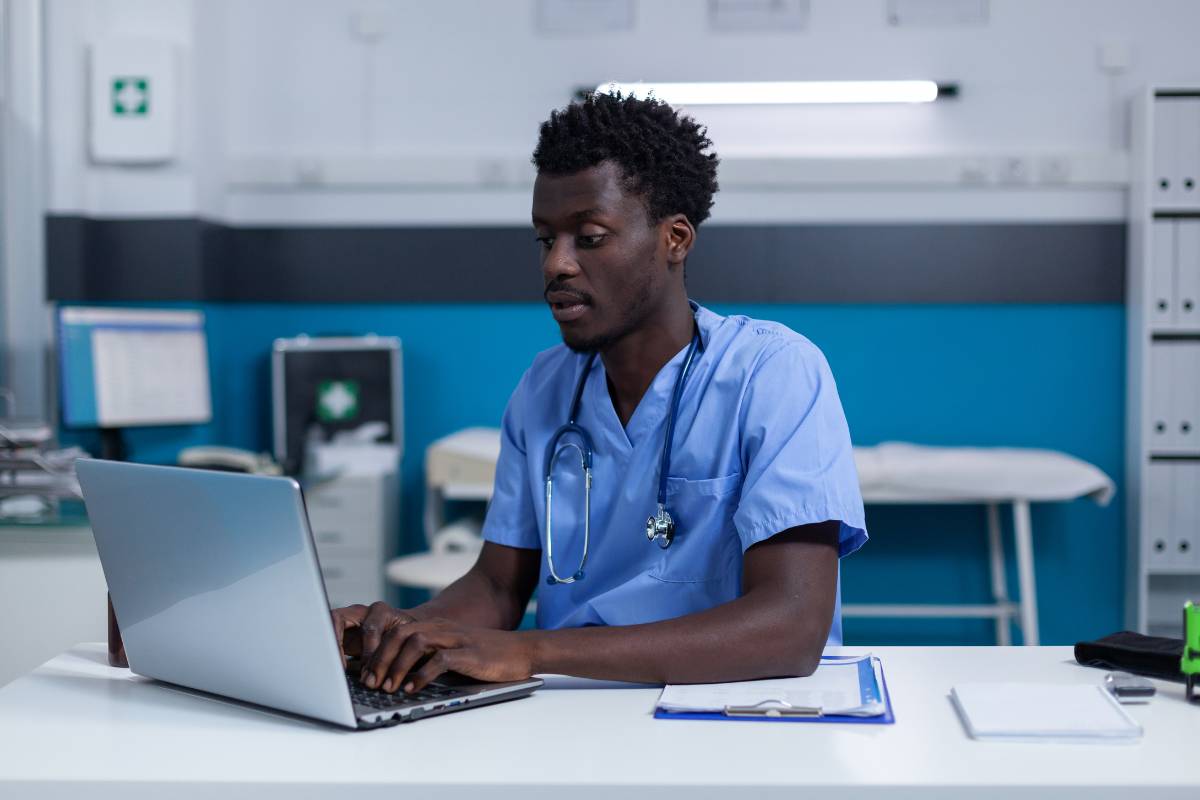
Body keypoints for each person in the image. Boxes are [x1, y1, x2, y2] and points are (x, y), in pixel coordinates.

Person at [333, 92, 867, 695]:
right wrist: (395, 632)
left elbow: (790, 629)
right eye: (544, 239)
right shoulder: (545, 388)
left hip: (739, 708)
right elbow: (498, 588)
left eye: (588, 237)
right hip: (576, 713)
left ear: (676, 239)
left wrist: (529, 650)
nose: (555, 265)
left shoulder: (771, 373)